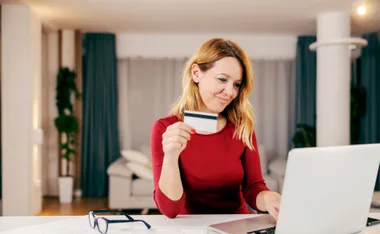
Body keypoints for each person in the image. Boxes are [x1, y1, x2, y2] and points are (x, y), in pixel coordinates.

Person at [150, 38, 281, 219]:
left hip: (236, 226)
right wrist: (171, 156)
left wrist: (270, 198)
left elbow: (253, 188)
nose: (230, 92)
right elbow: (170, 210)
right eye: (222, 79)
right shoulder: (165, 128)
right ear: (196, 73)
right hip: (190, 229)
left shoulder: (242, 128)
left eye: (236, 84)